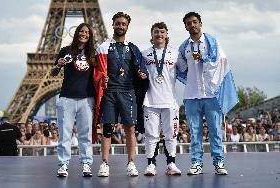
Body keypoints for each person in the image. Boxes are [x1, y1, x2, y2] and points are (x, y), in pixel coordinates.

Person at [177, 12, 238, 175]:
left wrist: (204, 58)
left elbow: (222, 62)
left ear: (200, 23)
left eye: (195, 22)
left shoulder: (212, 42)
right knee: (194, 132)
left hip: (211, 94)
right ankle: (196, 163)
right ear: (185, 26)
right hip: (191, 95)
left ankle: (219, 163)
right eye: (188, 23)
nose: (192, 25)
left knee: (215, 131)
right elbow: (180, 68)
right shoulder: (184, 47)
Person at [94, 12, 147, 177]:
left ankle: (131, 163)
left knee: (130, 129)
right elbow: (96, 68)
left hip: (128, 91)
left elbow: (141, 68)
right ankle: (104, 163)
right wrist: (102, 77)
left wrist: (141, 73)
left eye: (123, 24)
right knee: (107, 128)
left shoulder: (132, 47)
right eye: (118, 23)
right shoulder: (104, 47)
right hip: (110, 91)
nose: (120, 26)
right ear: (113, 25)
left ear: (127, 26)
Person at [50, 23, 96, 177]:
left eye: (87, 32)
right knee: (65, 134)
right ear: (77, 33)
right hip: (67, 98)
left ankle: (86, 164)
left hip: (86, 98)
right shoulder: (65, 51)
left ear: (90, 35)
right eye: (82, 31)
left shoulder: (93, 54)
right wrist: (58, 64)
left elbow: (101, 72)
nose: (84, 34)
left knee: (85, 134)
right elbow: (53, 73)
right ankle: (63, 164)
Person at [141, 22, 181, 176]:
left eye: (162, 32)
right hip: (150, 101)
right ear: (151, 35)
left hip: (170, 101)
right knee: (151, 135)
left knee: (171, 134)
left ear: (166, 35)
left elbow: (185, 70)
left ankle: (171, 163)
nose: (159, 34)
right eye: (156, 32)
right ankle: (151, 164)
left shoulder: (175, 54)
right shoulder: (144, 54)